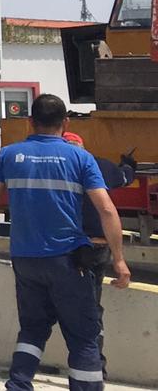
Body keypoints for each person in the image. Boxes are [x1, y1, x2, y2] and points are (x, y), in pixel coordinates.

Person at [0, 94, 131, 391]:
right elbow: (107, 210)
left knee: (32, 330)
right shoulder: (80, 158)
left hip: (25, 259)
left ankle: (19, 385)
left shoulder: (8, 155)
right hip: (67, 261)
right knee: (83, 335)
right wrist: (119, 259)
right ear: (66, 123)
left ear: (30, 123)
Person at [63, 131, 137, 375]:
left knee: (60, 309)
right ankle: (95, 366)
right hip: (96, 247)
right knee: (91, 309)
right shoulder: (100, 165)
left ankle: (88, 365)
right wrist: (128, 164)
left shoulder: (58, 168)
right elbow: (124, 177)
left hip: (66, 247)